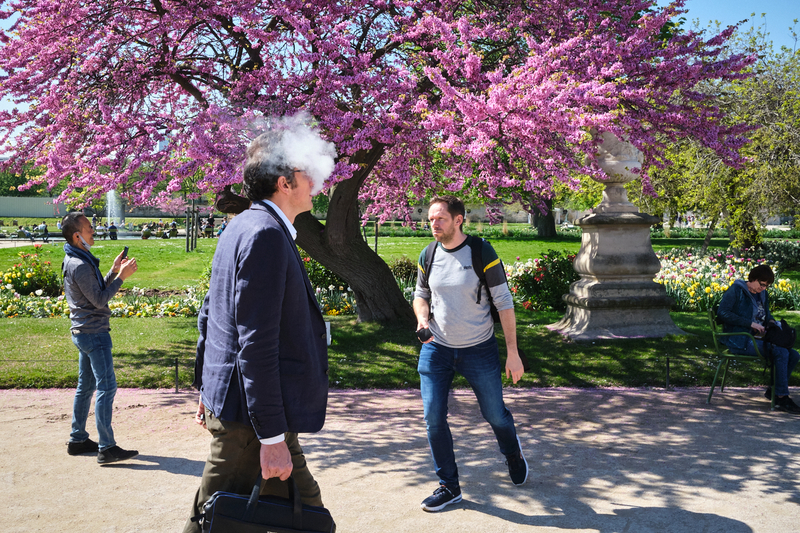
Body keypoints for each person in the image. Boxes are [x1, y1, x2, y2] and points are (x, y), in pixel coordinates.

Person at [183, 127, 334, 532]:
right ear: (285, 183)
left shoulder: (244, 225)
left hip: (254, 411)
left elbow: (211, 314)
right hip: (252, 422)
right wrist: (270, 438)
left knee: (309, 517)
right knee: (212, 523)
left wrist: (206, 386)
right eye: (307, 175)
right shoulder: (265, 234)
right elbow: (255, 343)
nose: (315, 183)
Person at [413, 195, 528, 512]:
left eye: (440, 219)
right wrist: (422, 319)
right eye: (431, 219)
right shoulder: (429, 253)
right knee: (433, 417)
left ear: (458, 220)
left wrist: (512, 353)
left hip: (479, 348)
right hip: (436, 348)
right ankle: (449, 486)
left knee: (494, 414)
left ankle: (512, 452)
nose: (433, 224)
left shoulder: (481, 252)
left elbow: (504, 302)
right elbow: (421, 295)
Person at [61, 212, 140, 463]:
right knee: (107, 387)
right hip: (94, 333)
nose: (93, 231)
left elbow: (93, 293)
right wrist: (121, 278)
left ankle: (78, 439)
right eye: (88, 228)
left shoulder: (76, 259)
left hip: (84, 332)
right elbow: (99, 300)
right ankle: (106, 447)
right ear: (77, 236)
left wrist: (113, 270)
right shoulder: (80, 264)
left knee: (86, 386)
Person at [717, 264, 800, 414]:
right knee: (781, 352)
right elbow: (722, 313)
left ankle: (773, 391)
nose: (763, 288)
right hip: (740, 338)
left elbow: (767, 315)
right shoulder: (736, 290)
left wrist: (772, 323)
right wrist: (750, 323)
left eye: (766, 286)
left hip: (759, 337)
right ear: (753, 279)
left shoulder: (763, 295)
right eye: (762, 284)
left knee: (794, 354)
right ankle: (781, 397)